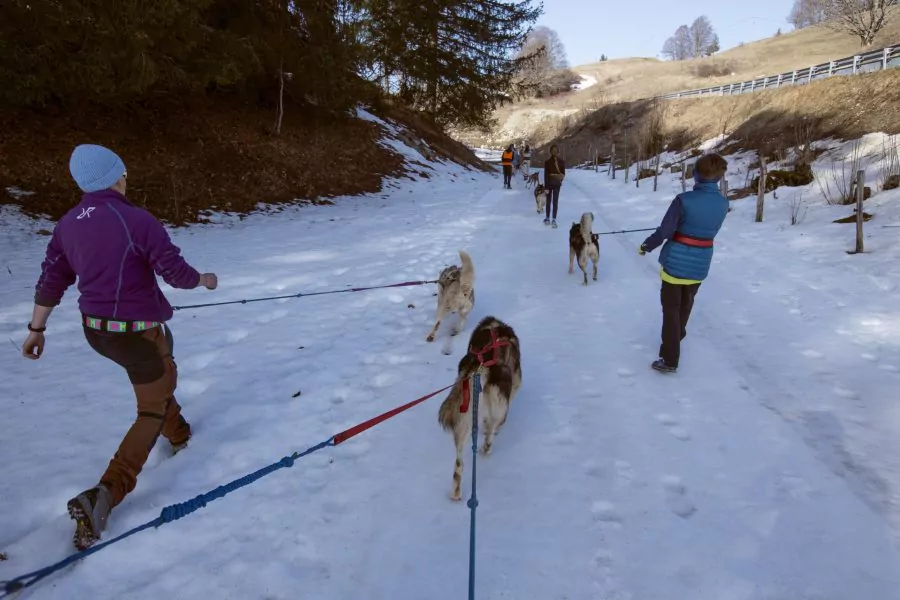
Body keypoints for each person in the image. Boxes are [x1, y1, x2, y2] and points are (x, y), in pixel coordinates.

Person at [21, 144, 218, 550]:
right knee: (151, 402)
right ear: (116, 176)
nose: (127, 180)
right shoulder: (135, 219)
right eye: (124, 173)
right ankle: (105, 494)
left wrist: (35, 329)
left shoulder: (68, 224)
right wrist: (204, 280)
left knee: (160, 372)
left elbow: (51, 279)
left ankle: (179, 434)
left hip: (97, 334)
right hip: (135, 334)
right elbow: (176, 273)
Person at [639, 153, 729, 374]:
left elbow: (665, 232)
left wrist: (646, 246)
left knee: (671, 309)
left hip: (675, 263)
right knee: (686, 303)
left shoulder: (683, 200)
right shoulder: (724, 202)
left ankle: (669, 358)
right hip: (701, 262)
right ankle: (677, 335)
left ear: (696, 175)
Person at [543, 144, 566, 228]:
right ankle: (550, 218)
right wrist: (546, 187)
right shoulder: (550, 162)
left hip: (553, 183)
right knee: (552, 201)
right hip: (553, 183)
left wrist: (560, 179)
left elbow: (563, 173)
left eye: (555, 150)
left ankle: (551, 218)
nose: (555, 152)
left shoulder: (558, 161)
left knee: (552, 201)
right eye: (553, 150)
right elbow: (546, 175)